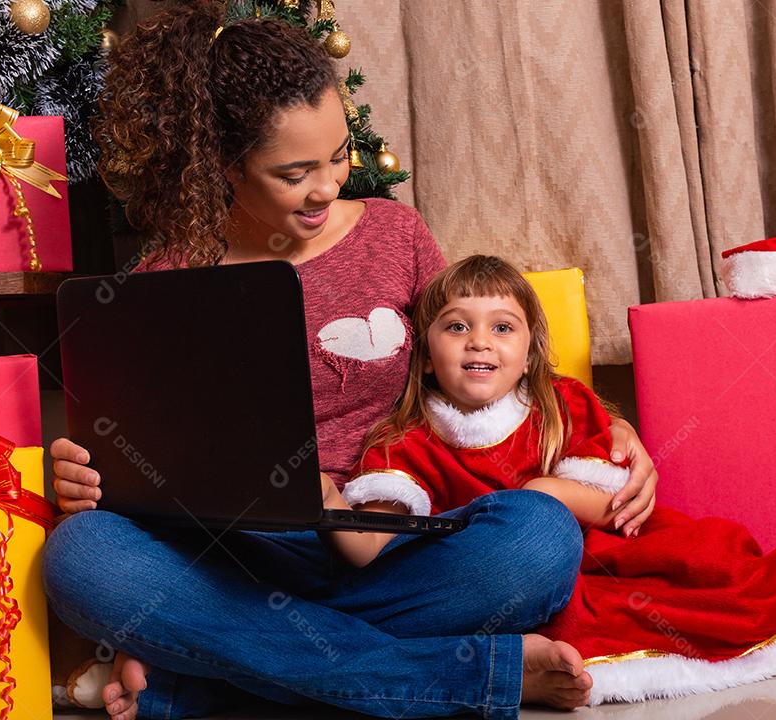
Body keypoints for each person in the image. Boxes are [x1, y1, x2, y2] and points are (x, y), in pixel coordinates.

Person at [42, 5, 659, 719]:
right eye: (295, 172)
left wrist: (611, 426)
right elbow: (132, 449)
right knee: (82, 557)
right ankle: (457, 679)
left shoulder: (395, 234)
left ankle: (215, 682)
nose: (329, 186)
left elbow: (473, 353)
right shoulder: (166, 277)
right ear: (223, 164)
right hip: (240, 558)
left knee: (539, 542)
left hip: (393, 546)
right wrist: (82, 470)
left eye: (338, 157)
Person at [330, 254, 776, 705]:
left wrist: (548, 495)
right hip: (523, 583)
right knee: (597, 618)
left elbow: (608, 502)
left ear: (530, 347)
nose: (479, 342)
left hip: (610, 543)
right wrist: (325, 502)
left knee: (710, 557)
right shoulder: (405, 438)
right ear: (427, 347)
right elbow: (367, 542)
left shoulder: (561, 403)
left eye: (502, 327)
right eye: (457, 326)